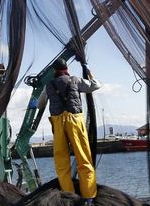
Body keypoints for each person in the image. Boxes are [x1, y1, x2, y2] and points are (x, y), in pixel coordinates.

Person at [37, 59, 102, 205]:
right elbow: (96, 85)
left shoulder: (49, 85)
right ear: (66, 68)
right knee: (84, 159)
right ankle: (89, 198)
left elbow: (40, 104)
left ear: (54, 71)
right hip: (75, 121)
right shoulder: (75, 80)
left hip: (58, 123)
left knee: (62, 163)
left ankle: (69, 197)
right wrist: (89, 71)